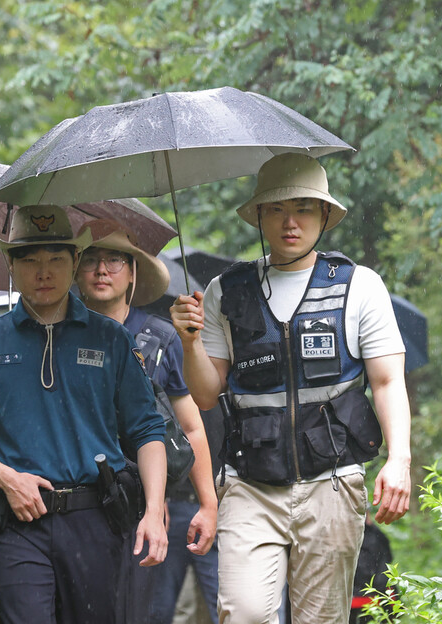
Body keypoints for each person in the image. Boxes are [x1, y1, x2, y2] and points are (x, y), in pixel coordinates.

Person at [170, 153, 413, 623]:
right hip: (249, 484)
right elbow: (204, 395)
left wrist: (399, 460)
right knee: (243, 613)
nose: (289, 221)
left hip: (334, 482)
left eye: (303, 208)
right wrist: (190, 340)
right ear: (259, 215)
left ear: (324, 215)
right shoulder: (226, 290)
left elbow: (387, 381)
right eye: (277, 209)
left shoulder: (359, 286)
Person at [0, 205, 168, 624]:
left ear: (75, 261)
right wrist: (7, 478)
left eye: (56, 259)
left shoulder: (112, 339)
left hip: (97, 517)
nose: (43, 272)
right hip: (18, 520)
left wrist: (153, 511)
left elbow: (147, 428)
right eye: (29, 259)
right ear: (10, 263)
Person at [75, 218, 218, 624]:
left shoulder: (159, 339)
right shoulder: (61, 335)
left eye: (115, 260)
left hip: (140, 502)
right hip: (75, 502)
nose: (102, 270)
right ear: (76, 269)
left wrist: (207, 503)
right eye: (91, 260)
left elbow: (191, 428)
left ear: (133, 272)